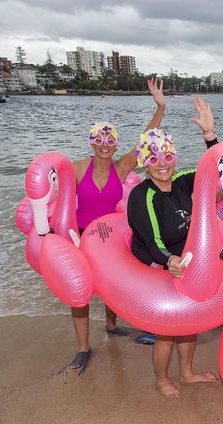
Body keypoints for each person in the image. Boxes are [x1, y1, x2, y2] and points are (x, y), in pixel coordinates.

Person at [63, 78, 165, 375]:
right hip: (82, 237)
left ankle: (110, 324)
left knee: (110, 285)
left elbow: (147, 139)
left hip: (107, 240)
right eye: (100, 140)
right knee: (79, 292)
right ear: (92, 143)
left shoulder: (121, 168)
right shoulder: (78, 168)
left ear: (116, 144)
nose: (105, 145)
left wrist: (160, 106)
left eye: (110, 141)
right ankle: (83, 348)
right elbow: (59, 195)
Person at [126, 96, 219, 397]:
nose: (162, 165)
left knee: (189, 316)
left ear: (174, 157)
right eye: (153, 159)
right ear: (144, 163)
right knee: (168, 326)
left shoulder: (181, 180)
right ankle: (162, 378)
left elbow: (217, 172)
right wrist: (170, 261)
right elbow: (154, 242)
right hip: (154, 260)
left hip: (182, 254)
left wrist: (210, 135)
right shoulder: (142, 197)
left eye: (166, 156)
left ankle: (188, 372)